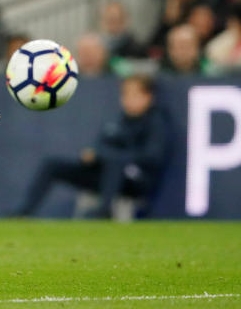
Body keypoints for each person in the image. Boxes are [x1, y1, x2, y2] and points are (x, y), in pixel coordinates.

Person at [14, 75, 171, 219]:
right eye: (125, 94)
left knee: (115, 161)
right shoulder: (118, 122)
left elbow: (152, 156)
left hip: (135, 182)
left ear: (148, 97)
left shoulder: (156, 122)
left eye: (135, 94)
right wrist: (93, 155)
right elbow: (101, 147)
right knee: (52, 165)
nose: (128, 99)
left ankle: (103, 212)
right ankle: (25, 212)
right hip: (104, 176)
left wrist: (112, 156)